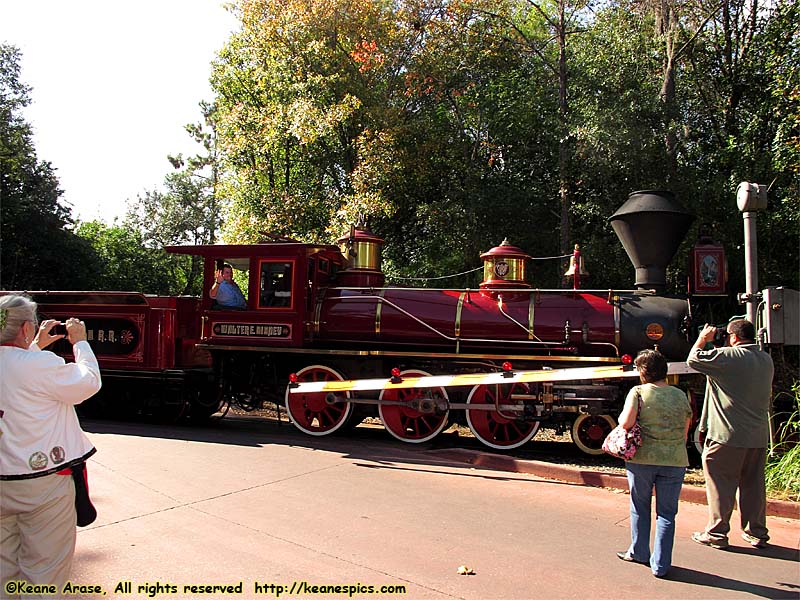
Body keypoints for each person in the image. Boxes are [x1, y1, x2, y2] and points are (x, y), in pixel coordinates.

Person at [0, 294, 102, 593]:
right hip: (44, 482)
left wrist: (34, 345)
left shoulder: (29, 361)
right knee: (44, 573)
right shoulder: (39, 365)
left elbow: (14, 368)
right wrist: (80, 342)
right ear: (24, 329)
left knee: (3, 567)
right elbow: (88, 382)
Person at [687, 319, 774, 550]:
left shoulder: (728, 357)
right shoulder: (765, 360)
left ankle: (716, 533)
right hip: (757, 436)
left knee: (720, 483)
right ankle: (756, 533)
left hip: (727, 435)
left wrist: (703, 338)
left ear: (734, 337)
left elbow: (693, 359)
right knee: (753, 485)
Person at [616, 349, 692, 578]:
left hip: (643, 459)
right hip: (675, 460)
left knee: (640, 506)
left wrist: (621, 420)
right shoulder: (680, 395)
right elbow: (686, 430)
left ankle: (639, 552)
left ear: (643, 372)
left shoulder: (638, 392)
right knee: (667, 513)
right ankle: (661, 565)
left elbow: (626, 423)